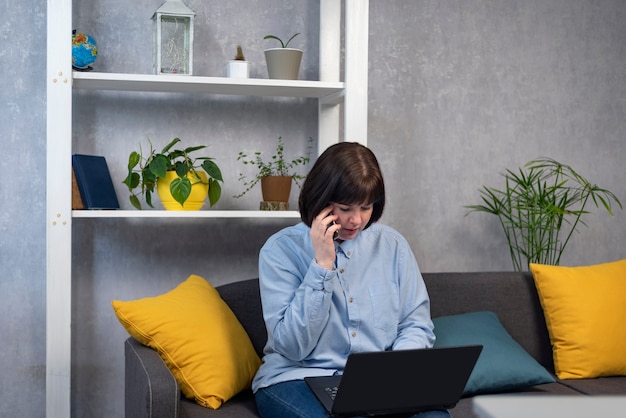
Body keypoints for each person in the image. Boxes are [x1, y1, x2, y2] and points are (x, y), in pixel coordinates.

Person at [252, 142, 450, 418]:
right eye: (345, 208)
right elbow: (293, 346)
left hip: (376, 382)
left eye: (366, 207)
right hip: (297, 377)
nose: (356, 220)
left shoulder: (392, 246)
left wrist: (397, 375)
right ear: (320, 200)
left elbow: (415, 324)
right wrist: (322, 265)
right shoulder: (280, 250)